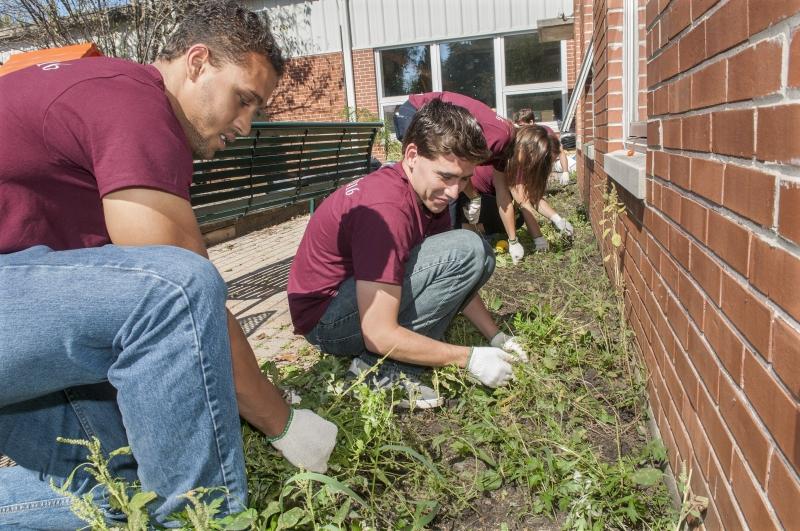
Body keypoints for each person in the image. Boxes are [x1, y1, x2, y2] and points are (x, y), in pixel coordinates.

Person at [0, 2, 337, 528]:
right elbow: (178, 295)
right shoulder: (133, 101)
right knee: (177, 288)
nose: (246, 126)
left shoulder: (103, 93)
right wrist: (282, 422)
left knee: (118, 488)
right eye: (242, 100)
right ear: (197, 62)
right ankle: (206, 522)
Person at [287, 99, 529, 410]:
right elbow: (377, 332)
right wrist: (468, 359)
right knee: (470, 249)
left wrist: (495, 336)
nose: (455, 191)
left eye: (465, 179)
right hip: (326, 322)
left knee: (479, 255)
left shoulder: (428, 194)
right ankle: (381, 373)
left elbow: (452, 274)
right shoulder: (386, 210)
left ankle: (390, 361)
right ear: (412, 155)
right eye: (446, 176)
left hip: (353, 296)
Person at [394, 92, 573, 263]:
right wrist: (473, 197)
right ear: (528, 151)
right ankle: (411, 246)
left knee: (448, 194)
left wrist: (512, 241)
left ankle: (442, 248)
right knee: (425, 184)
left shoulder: (506, 153)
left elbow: (503, 197)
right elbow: (458, 167)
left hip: (436, 122)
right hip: (417, 112)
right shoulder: (499, 138)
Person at [512, 108, 571, 187]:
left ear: (531, 122)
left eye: (522, 125)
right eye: (518, 126)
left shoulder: (545, 131)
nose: (520, 129)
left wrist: (565, 172)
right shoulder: (523, 133)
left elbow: (560, 151)